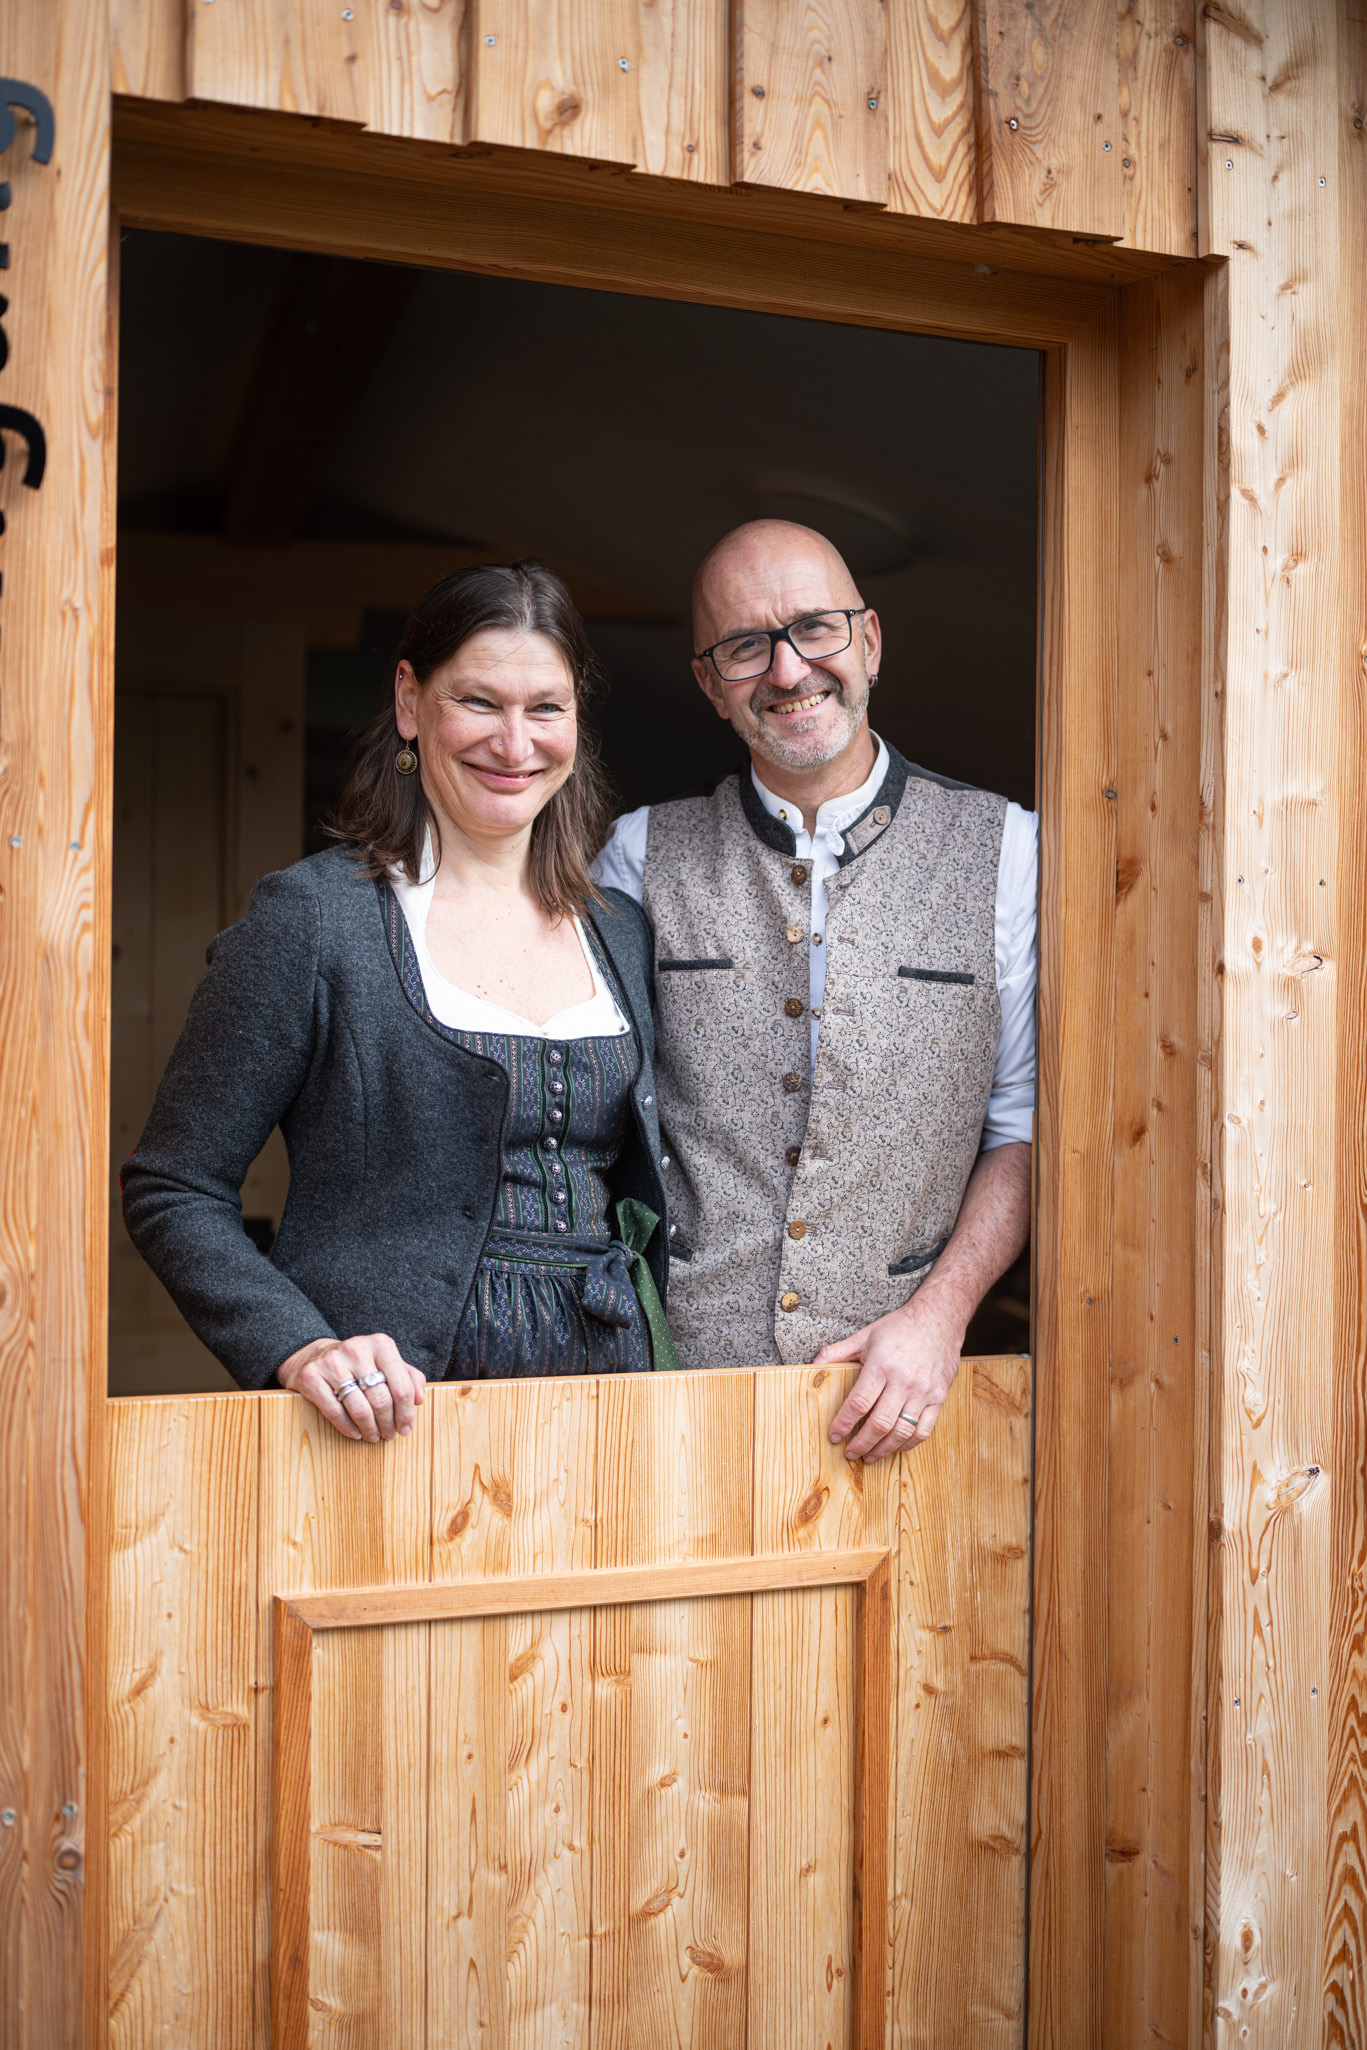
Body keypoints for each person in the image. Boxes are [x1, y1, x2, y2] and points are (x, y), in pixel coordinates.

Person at [122, 562, 675, 1443]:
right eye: (479, 701)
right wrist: (299, 1346)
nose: (514, 741)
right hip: (387, 1421)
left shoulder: (621, 933)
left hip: (610, 1409)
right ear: (411, 704)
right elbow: (173, 1186)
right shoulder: (316, 921)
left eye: (546, 708)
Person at [593, 519, 1035, 1461]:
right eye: (745, 646)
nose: (788, 671)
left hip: (914, 1405)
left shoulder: (1010, 852)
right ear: (711, 687)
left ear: (867, 643)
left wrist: (939, 1317)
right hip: (674, 1401)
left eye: (814, 629)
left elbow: (1023, 1124)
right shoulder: (635, 857)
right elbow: (595, 1124)